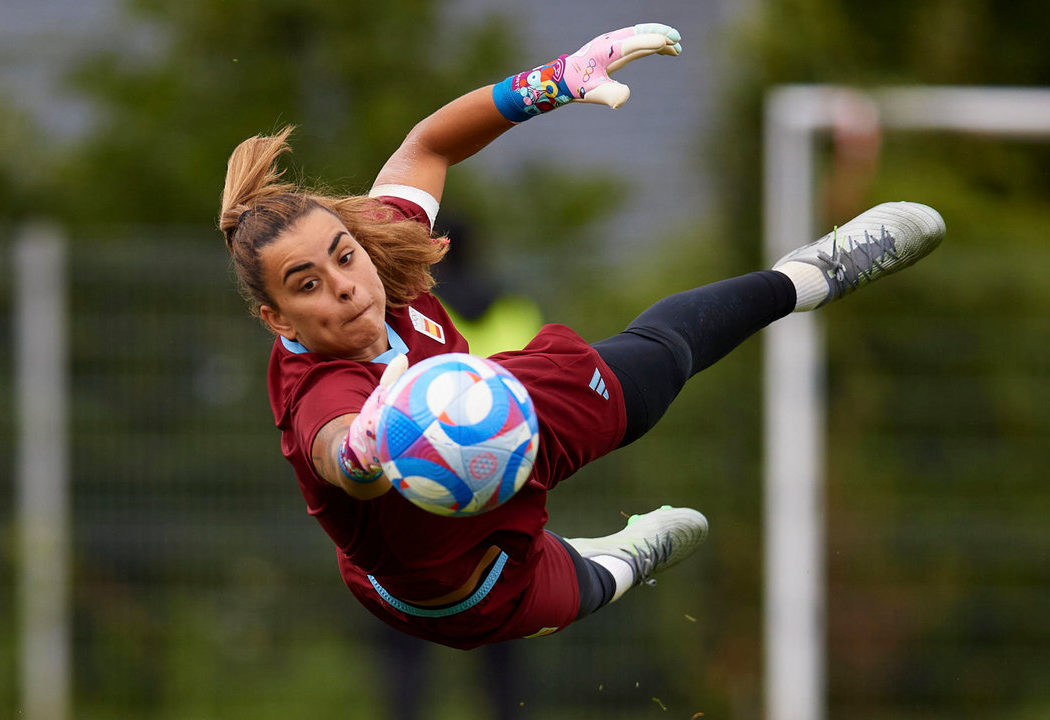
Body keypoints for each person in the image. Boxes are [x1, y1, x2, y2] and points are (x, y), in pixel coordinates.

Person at [217, 23, 945, 650]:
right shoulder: (318, 390)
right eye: (306, 283)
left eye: (342, 255)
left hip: (499, 413)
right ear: (277, 318)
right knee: (592, 586)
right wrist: (370, 445)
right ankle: (622, 557)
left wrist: (558, 79)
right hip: (469, 583)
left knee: (661, 360)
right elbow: (337, 450)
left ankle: (812, 275)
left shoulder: (379, 259)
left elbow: (429, 143)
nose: (344, 284)